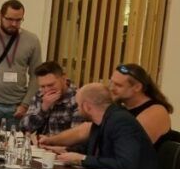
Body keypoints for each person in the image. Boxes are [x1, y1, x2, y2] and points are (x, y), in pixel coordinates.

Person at [42, 63, 176, 150]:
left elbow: (127, 147)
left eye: (118, 85)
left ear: (137, 87)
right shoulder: (119, 107)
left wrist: (75, 152)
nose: (111, 88)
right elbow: (83, 131)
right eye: (111, 82)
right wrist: (49, 141)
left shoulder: (156, 112)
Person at [18, 61, 84, 137]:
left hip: (60, 144)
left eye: (51, 85)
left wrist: (50, 141)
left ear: (64, 78)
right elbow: (24, 127)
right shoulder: (40, 94)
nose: (47, 90)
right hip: (40, 143)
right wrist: (43, 109)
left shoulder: (78, 98)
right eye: (43, 86)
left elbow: (76, 136)